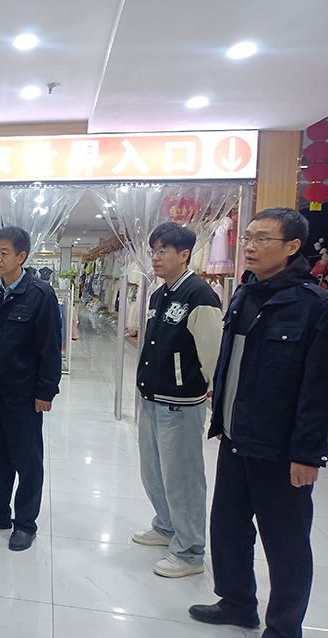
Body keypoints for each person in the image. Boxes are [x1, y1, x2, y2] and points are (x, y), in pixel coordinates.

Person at [189, 208, 328, 637]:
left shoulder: (313, 306)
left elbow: (319, 389)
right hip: (234, 438)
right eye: (247, 237)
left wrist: (307, 453)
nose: (248, 246)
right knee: (228, 529)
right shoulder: (243, 294)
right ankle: (236, 603)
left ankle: (284, 628)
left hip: (279, 449)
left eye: (262, 239)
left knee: (285, 544)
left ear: (292, 247)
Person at [132, 222, 223, 577]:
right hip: (152, 396)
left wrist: (208, 393)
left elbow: (212, 353)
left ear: (184, 255)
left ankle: (190, 551)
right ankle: (166, 526)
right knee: (153, 470)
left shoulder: (200, 294)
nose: (155, 258)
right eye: (153, 251)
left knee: (182, 478)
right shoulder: (159, 295)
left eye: (163, 251)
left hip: (180, 402)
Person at [0, 226, 62, 551]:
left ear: (22, 256)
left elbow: (50, 347)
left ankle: (25, 524)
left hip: (23, 395)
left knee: (27, 462)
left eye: (4, 252)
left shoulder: (41, 295)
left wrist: (46, 391)